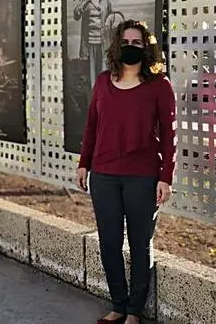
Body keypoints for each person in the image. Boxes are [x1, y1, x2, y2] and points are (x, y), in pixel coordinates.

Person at [76, 19, 176, 324]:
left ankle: (134, 312)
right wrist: (84, 163)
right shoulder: (103, 82)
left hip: (142, 177)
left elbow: (170, 135)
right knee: (109, 243)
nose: (130, 47)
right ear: (116, 46)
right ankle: (118, 305)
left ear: (146, 48)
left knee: (140, 245)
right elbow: (91, 126)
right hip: (104, 175)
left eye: (137, 43)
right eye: (126, 42)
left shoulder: (160, 86)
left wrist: (166, 177)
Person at [73, 0, 114, 85]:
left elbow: (112, 14)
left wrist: (109, 20)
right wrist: (87, 1)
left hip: (103, 41)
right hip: (89, 42)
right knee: (92, 77)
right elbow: (76, 15)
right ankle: (93, 95)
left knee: (104, 73)